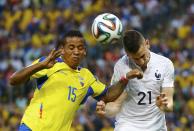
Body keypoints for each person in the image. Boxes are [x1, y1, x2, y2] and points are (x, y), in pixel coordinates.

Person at [9, 30, 143, 131]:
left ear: (84, 51)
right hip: (33, 127)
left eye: (80, 48)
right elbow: (13, 80)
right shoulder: (49, 63)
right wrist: (41, 65)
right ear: (62, 50)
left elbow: (108, 95)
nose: (76, 52)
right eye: (71, 47)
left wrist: (125, 78)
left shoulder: (86, 76)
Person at [96, 30, 174, 131]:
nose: (141, 61)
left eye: (142, 56)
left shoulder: (165, 64)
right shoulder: (121, 66)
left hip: (156, 126)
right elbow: (113, 101)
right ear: (127, 54)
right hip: (128, 124)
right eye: (136, 59)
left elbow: (169, 104)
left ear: (147, 43)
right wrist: (125, 78)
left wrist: (163, 105)